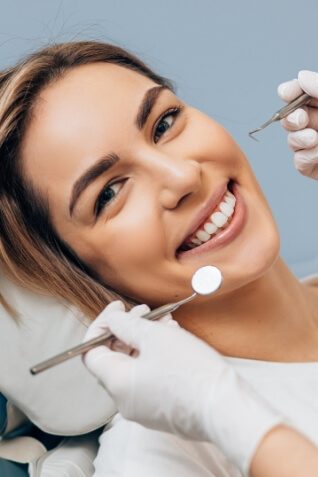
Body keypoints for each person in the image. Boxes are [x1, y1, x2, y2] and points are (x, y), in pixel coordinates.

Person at [0, 40, 317, 476]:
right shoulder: (153, 457)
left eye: (164, 123)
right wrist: (224, 413)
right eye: (108, 193)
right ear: (74, 270)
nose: (183, 175)